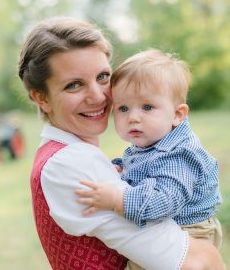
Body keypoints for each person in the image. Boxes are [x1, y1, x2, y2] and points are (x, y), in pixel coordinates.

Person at [18, 16, 225, 270]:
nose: (98, 97)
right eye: (74, 85)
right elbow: (197, 263)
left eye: (103, 77)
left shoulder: (68, 154)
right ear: (41, 97)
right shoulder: (69, 163)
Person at [75, 50, 222, 253]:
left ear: (177, 115)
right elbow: (144, 166)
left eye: (147, 107)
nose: (133, 117)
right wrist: (120, 169)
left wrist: (117, 199)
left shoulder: (179, 155)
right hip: (169, 228)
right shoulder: (153, 141)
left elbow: (163, 202)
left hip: (190, 233)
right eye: (123, 108)